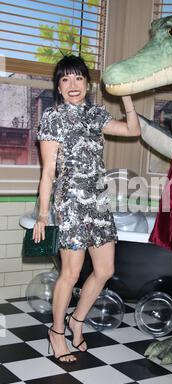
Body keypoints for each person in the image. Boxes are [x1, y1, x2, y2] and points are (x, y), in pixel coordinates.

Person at [33, 55, 141, 363]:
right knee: (71, 273)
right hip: (71, 205)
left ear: (88, 83)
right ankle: (56, 332)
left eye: (78, 78)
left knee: (105, 270)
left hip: (99, 203)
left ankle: (76, 320)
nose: (72, 85)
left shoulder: (96, 114)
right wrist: (43, 213)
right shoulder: (53, 117)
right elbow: (48, 171)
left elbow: (133, 130)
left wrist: (127, 98)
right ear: (58, 87)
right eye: (65, 79)